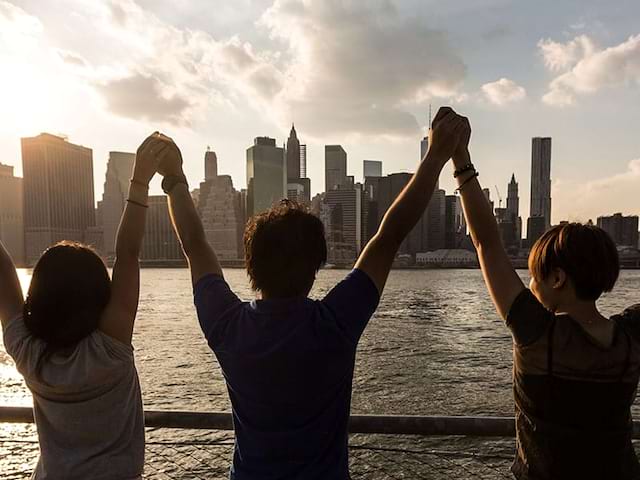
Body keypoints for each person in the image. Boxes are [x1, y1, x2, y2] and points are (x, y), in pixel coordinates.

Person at [151, 107, 466, 479]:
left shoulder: (228, 326)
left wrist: (173, 178)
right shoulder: (333, 324)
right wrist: (436, 155)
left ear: (251, 264)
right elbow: (389, 236)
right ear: (316, 265)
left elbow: (194, 244)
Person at [449, 113, 640, 479]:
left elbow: (486, 243)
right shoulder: (631, 337)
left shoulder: (537, 333)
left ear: (557, 278)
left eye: (534, 275)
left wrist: (461, 159)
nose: (529, 284)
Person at [0, 133, 171, 479]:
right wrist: (139, 180)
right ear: (100, 295)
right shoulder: (109, 347)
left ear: (38, 297)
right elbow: (128, 252)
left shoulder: (28, 353)